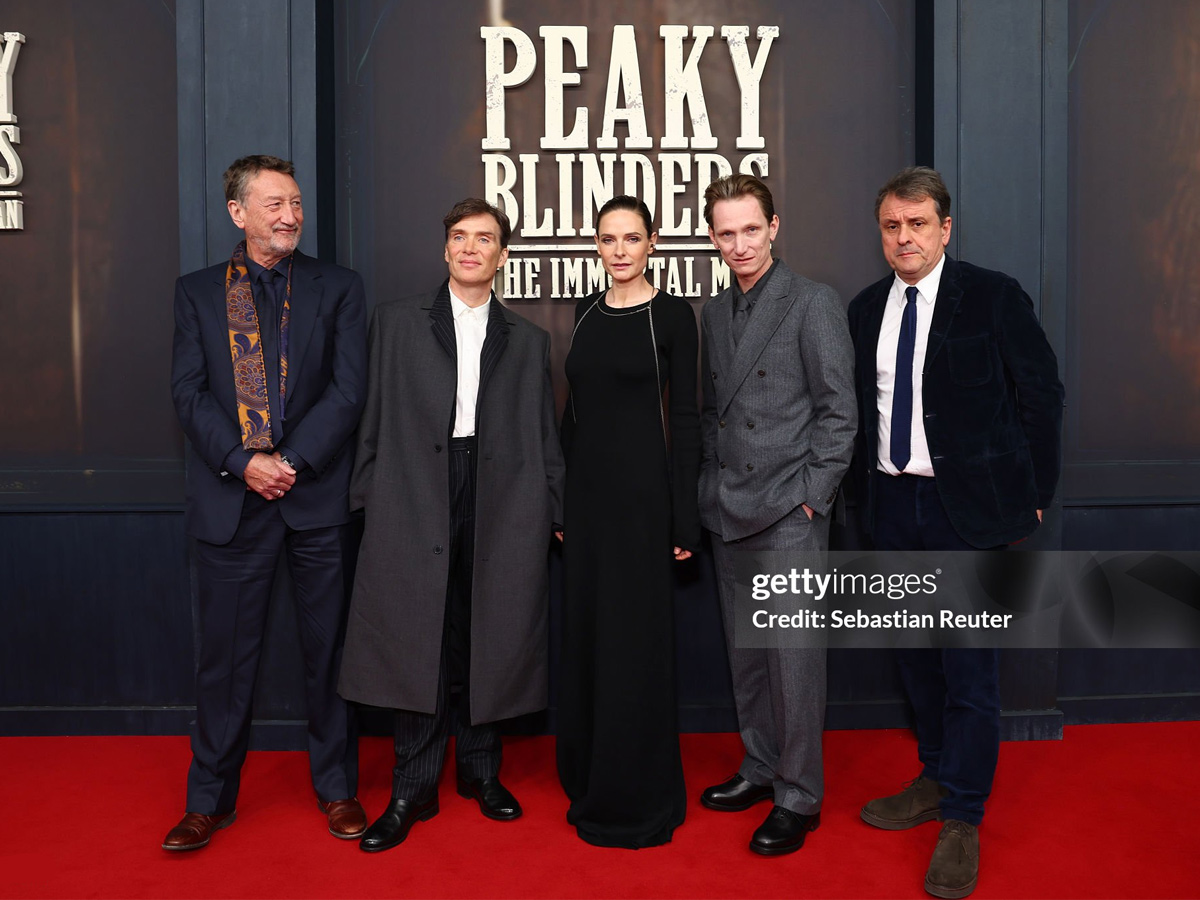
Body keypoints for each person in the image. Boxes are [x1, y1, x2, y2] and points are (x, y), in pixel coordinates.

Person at [847, 166, 1064, 899]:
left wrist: (1032, 493)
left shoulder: (994, 297)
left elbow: (1042, 395)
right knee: (915, 659)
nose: (904, 237)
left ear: (945, 228)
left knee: (969, 671)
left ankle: (964, 817)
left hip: (965, 513)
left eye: (917, 224)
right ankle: (936, 778)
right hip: (891, 510)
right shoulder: (865, 308)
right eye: (891, 226)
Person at [338, 198, 565, 853]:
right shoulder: (397, 323)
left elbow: (544, 437)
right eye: (460, 237)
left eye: (485, 239)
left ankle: (481, 771)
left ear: (502, 255)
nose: (471, 248)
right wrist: (369, 498)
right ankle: (411, 787)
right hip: (413, 491)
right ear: (445, 250)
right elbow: (372, 418)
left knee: (487, 629)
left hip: (500, 493)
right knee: (419, 635)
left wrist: (554, 509)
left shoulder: (528, 340)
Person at [165, 154, 367, 850]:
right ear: (238, 213)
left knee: (329, 653)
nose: (290, 215)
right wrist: (243, 462)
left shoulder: (337, 287)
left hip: (314, 498)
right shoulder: (196, 294)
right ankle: (208, 799)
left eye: (296, 203)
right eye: (275, 203)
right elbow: (188, 394)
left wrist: (291, 461)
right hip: (233, 502)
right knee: (223, 660)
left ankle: (338, 788)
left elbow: (348, 391)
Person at [698, 174, 856, 855]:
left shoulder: (812, 302)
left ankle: (798, 794)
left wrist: (810, 497)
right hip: (729, 507)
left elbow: (840, 412)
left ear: (774, 227)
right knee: (750, 658)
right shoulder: (712, 312)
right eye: (726, 232)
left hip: (789, 510)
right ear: (713, 237)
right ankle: (760, 767)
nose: (740, 244)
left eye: (750, 229)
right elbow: (712, 411)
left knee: (793, 662)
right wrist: (710, 481)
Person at [556, 196, 701, 848]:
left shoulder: (672, 317)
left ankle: (638, 789)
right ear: (596, 244)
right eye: (609, 239)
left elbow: (689, 420)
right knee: (590, 637)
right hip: (586, 506)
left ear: (653, 244)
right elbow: (574, 415)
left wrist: (683, 518)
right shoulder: (585, 310)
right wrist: (560, 502)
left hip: (646, 507)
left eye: (631, 238)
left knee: (634, 644)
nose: (619, 250)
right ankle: (589, 774)